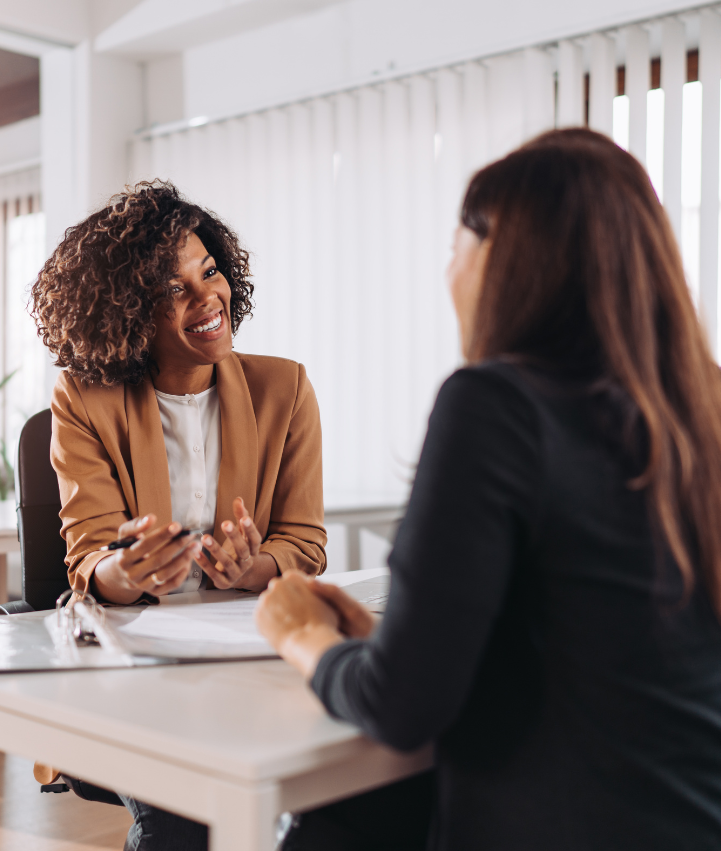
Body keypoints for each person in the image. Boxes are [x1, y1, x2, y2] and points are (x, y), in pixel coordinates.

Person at [257, 128, 721, 851]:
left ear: (504, 255)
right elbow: (609, 650)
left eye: (456, 245)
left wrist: (303, 637)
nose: (449, 269)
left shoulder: (495, 404)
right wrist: (394, 640)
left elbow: (401, 705)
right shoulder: (700, 412)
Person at [29, 180, 327, 851]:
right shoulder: (85, 399)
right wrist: (128, 571)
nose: (207, 299)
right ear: (128, 309)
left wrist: (258, 566)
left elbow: (305, 540)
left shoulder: (286, 388)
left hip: (251, 659)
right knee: (181, 821)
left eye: (211, 272)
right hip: (140, 664)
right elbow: (88, 562)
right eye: (174, 288)